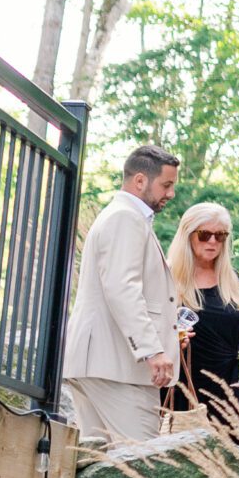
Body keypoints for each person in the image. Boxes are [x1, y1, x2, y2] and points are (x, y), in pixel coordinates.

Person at [63, 144, 182, 445]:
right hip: (118, 368)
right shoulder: (125, 218)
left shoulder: (122, 216)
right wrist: (152, 350)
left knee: (98, 467)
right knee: (143, 466)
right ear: (140, 180)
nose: (170, 194)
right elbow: (122, 287)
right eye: (166, 185)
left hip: (100, 363)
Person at [165, 202, 239, 452]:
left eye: (220, 235)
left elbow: (235, 340)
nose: (213, 241)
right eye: (204, 235)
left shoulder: (231, 280)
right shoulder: (169, 278)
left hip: (227, 391)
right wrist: (172, 340)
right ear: (188, 235)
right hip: (186, 389)